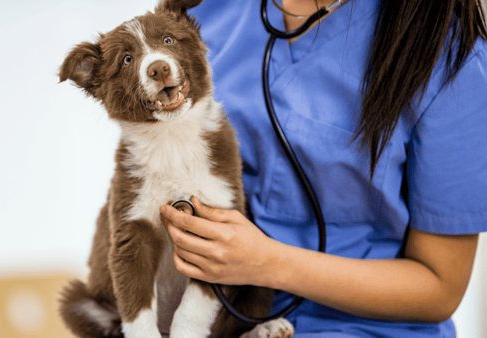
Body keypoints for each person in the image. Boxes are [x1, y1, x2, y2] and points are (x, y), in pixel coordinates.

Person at [158, 0, 487, 337]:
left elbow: (440, 286)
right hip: (204, 310)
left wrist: (266, 263)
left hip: (360, 327)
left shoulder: (448, 58)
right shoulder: (203, 9)